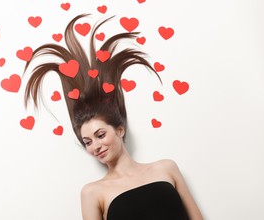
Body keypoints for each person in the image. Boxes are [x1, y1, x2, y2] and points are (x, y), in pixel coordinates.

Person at [23, 14, 204, 220]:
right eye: (87, 142)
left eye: (100, 135)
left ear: (120, 130)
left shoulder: (166, 168)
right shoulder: (92, 192)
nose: (95, 146)